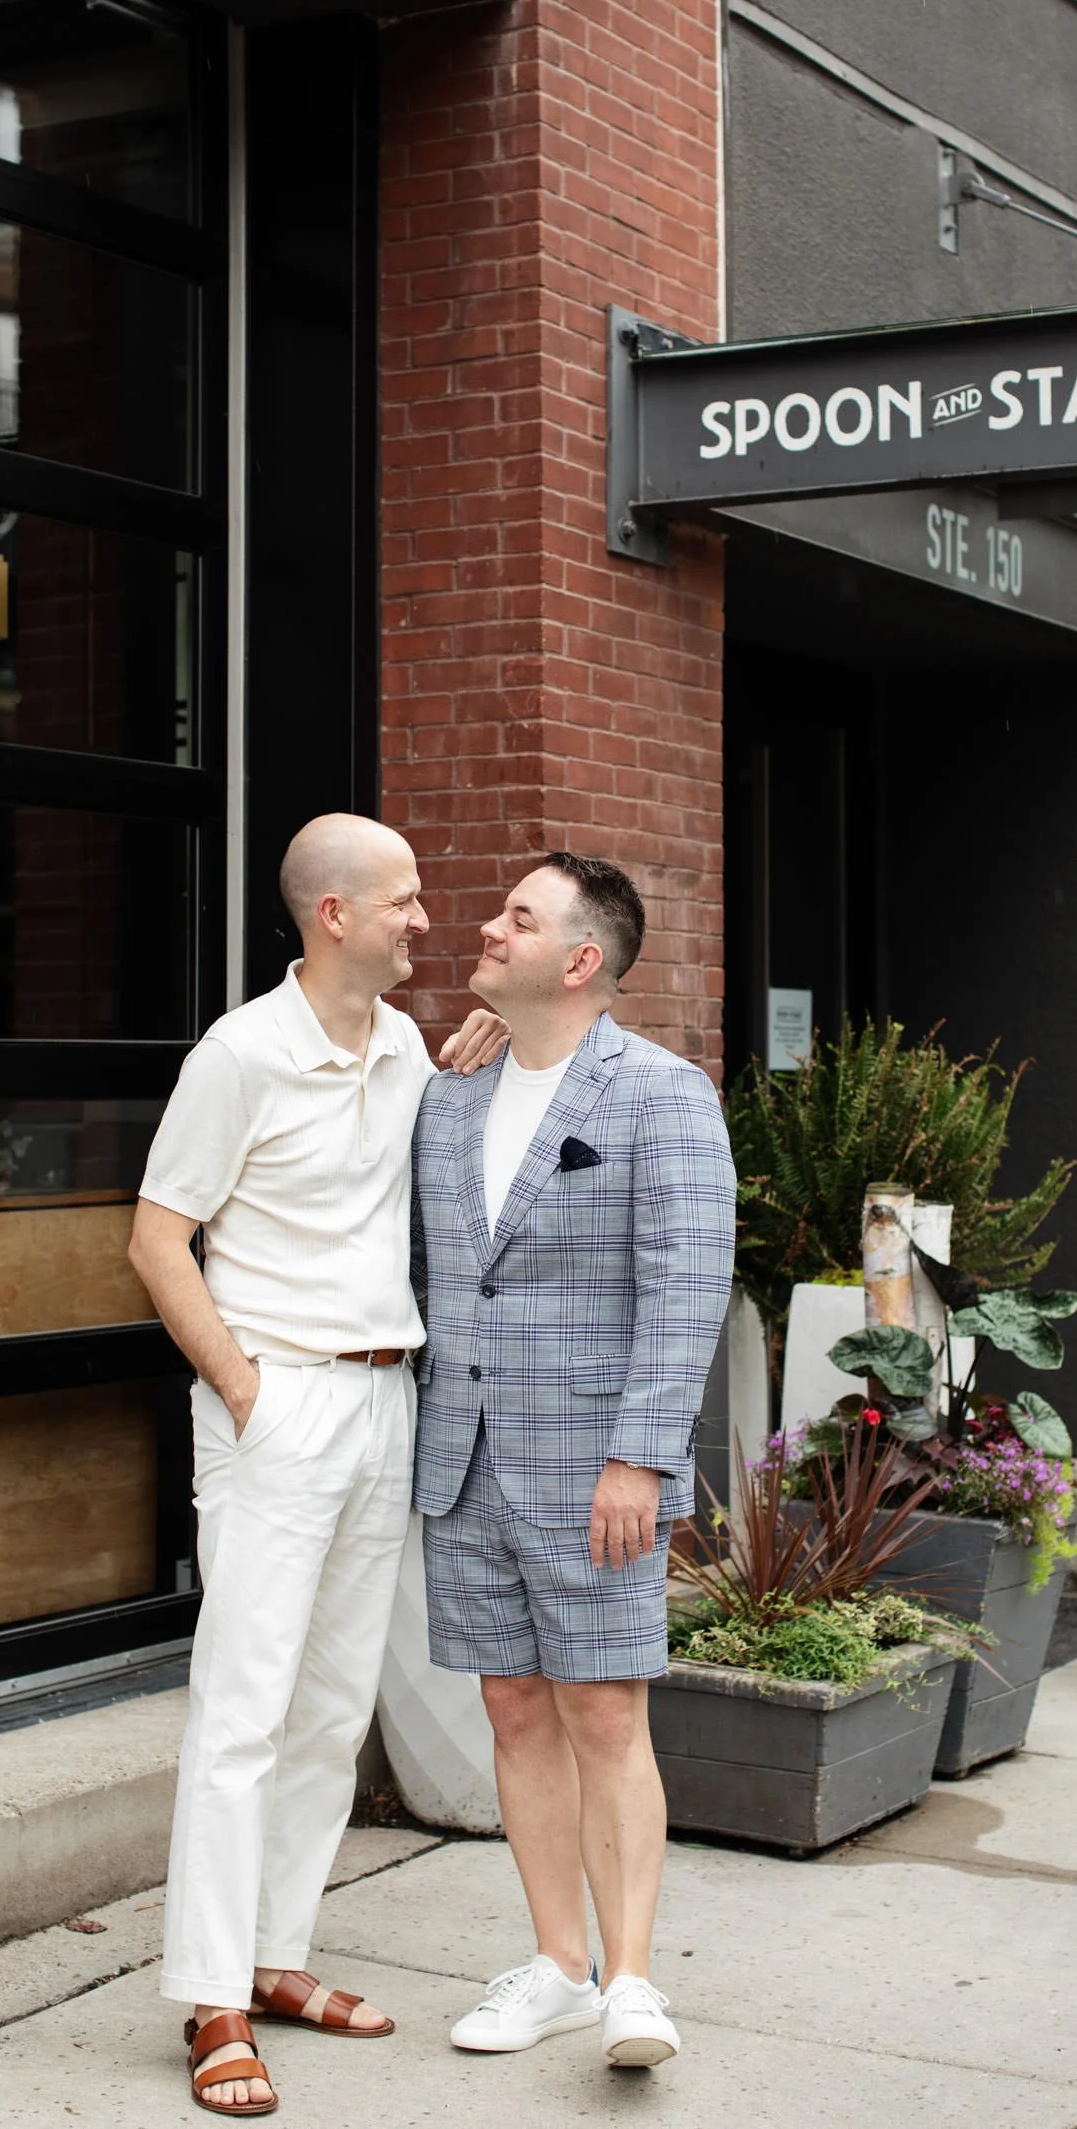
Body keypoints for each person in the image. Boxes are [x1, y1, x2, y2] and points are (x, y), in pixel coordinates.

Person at [129, 813, 503, 2118]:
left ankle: (276, 1958)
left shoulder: (402, 1048)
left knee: (334, 1708)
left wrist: (481, 1057)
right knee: (243, 1710)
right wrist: (245, 1390)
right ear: (333, 914)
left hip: (384, 1394)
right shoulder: (239, 1053)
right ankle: (211, 1998)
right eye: (404, 900)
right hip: (279, 1401)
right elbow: (158, 1238)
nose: (425, 920)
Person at [410, 851, 735, 2073]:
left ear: (580, 959)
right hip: (466, 1456)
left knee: (604, 1710)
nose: (489, 929)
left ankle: (633, 1981)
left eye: (519, 918)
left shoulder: (662, 1094)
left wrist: (642, 1459)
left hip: (595, 1468)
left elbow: (687, 1284)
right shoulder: (449, 1096)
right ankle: (557, 1965)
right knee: (510, 1705)